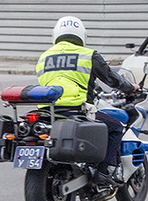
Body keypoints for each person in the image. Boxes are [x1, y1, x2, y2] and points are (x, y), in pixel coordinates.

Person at [36, 16, 139, 183]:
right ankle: (103, 172)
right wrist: (131, 88)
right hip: (76, 109)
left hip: (48, 112)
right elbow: (112, 79)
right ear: (82, 35)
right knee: (116, 128)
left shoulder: (44, 57)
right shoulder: (88, 55)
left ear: (55, 35)